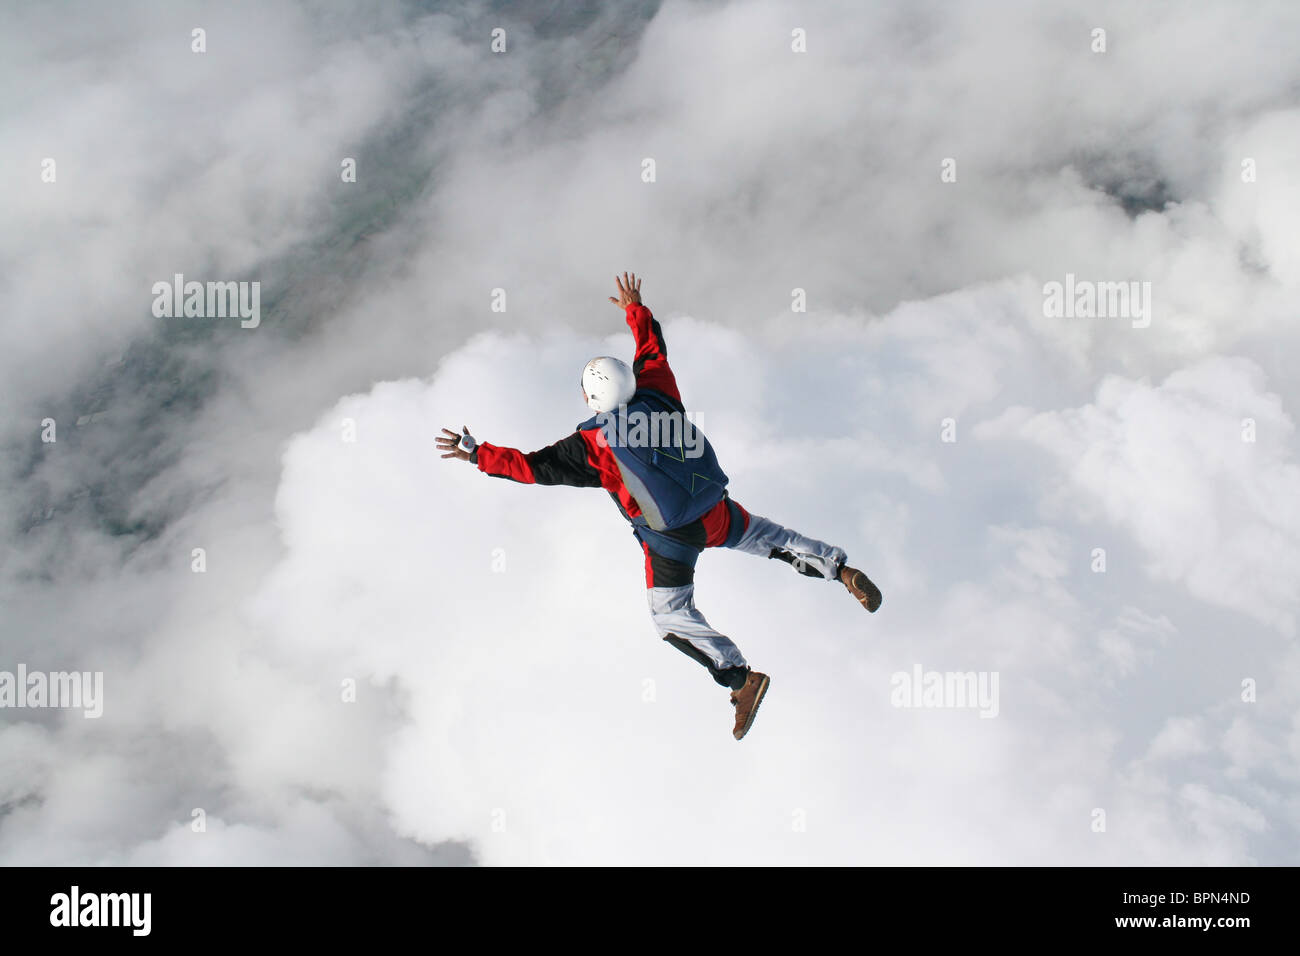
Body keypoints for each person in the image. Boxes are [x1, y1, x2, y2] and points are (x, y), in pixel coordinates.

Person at [437, 273, 882, 740]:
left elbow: (529, 468)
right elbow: (652, 352)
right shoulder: (657, 390)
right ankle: (840, 569)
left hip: (669, 539)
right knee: (770, 539)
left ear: (589, 399)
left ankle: (739, 677)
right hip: (713, 509)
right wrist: (636, 310)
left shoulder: (591, 446)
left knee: (670, 616)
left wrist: (475, 452)